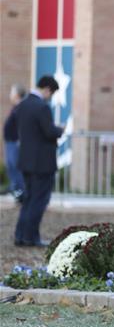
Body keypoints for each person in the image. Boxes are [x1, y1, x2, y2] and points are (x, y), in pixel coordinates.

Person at [14, 76, 63, 247]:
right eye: (52, 93)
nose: (51, 97)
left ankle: (20, 235)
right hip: (42, 163)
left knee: (28, 199)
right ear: (48, 89)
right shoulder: (42, 107)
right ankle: (31, 237)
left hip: (26, 160)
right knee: (39, 200)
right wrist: (60, 129)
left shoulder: (23, 104)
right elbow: (49, 131)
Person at [4, 84, 27, 202]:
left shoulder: (21, 108)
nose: (10, 95)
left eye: (12, 92)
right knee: (11, 167)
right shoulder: (15, 107)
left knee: (16, 167)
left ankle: (21, 191)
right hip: (10, 142)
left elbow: (22, 126)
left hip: (15, 143)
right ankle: (15, 188)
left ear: (17, 94)